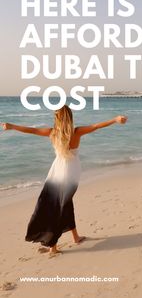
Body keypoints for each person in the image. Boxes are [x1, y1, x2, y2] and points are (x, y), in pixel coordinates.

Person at [0, 106, 128, 255]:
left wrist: (12, 126)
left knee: (59, 205)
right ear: (70, 118)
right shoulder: (77, 132)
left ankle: (66, 240)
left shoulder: (52, 133)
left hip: (56, 172)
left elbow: (32, 130)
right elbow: (96, 126)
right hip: (71, 175)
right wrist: (115, 119)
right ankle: (57, 245)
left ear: (58, 119)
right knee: (63, 206)